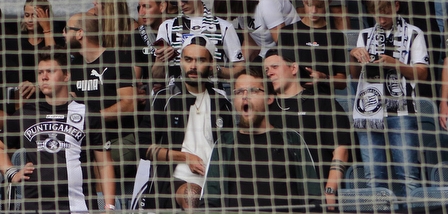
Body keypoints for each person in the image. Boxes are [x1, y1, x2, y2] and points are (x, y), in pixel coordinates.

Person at [0, 51, 114, 214]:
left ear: (66, 76)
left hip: (78, 207)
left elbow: (104, 164)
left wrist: (109, 207)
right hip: (35, 207)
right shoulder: (26, 113)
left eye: (51, 71)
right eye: (40, 72)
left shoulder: (87, 113)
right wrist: (12, 173)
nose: (44, 77)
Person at [135, 37, 233, 212]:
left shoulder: (222, 101)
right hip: (175, 180)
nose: (193, 66)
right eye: (188, 60)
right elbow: (143, 147)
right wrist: (187, 158)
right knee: (192, 195)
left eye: (200, 60)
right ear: (180, 62)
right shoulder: (165, 97)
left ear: (211, 64)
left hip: (215, 181)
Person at [349, 0, 429, 200]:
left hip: (401, 112)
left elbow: (422, 74)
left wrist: (396, 64)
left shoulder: (414, 33)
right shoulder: (365, 35)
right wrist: (353, 57)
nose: (381, 19)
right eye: (376, 13)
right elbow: (355, 75)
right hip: (369, 110)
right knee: (373, 176)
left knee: (408, 175)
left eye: (384, 12)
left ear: (396, 5)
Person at [204, 68, 322, 211]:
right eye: (239, 92)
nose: (245, 97)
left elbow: (314, 198)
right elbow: (210, 202)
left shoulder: (292, 140)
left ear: (269, 98)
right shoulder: (224, 145)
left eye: (253, 90)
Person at [264, 50, 352, 208]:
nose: (269, 72)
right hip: (277, 199)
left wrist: (330, 190)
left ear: (293, 68)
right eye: (266, 70)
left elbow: (341, 150)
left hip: (317, 197)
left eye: (275, 66)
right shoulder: (265, 110)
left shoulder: (321, 103)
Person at [153, 0, 244, 82]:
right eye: (175, 0)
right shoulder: (167, 27)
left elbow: (240, 69)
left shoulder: (223, 26)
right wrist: (160, 60)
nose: (181, 4)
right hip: (178, 95)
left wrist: (217, 70)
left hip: (214, 95)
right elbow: (157, 77)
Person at [210, 0, 298, 61]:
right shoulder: (242, 9)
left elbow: (283, 45)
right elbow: (250, 44)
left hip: (289, 55)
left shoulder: (266, 3)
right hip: (267, 56)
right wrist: (237, 66)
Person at [276, 0, 348, 93]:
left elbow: (342, 82)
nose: (314, 11)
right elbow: (276, 71)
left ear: (328, 2)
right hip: (292, 100)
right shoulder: (287, 33)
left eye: (319, 6)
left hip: (322, 101)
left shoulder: (336, 36)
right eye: (309, 4)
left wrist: (324, 78)